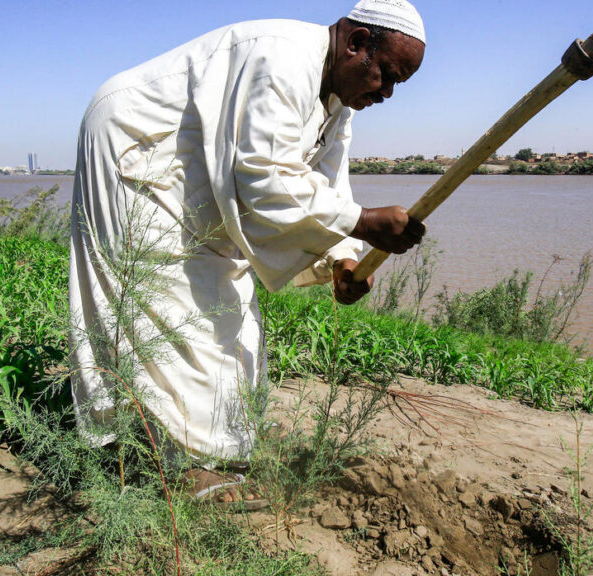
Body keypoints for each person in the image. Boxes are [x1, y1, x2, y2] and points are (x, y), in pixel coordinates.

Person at [68, 0, 427, 504]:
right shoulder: (280, 59)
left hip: (195, 171)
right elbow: (263, 178)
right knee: (164, 297)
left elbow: (327, 185)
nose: (387, 93)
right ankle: (172, 462)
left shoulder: (339, 99)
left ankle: (204, 443)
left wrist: (345, 257)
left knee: (223, 300)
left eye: (398, 84)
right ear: (356, 43)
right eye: (385, 75)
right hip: (134, 142)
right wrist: (365, 224)